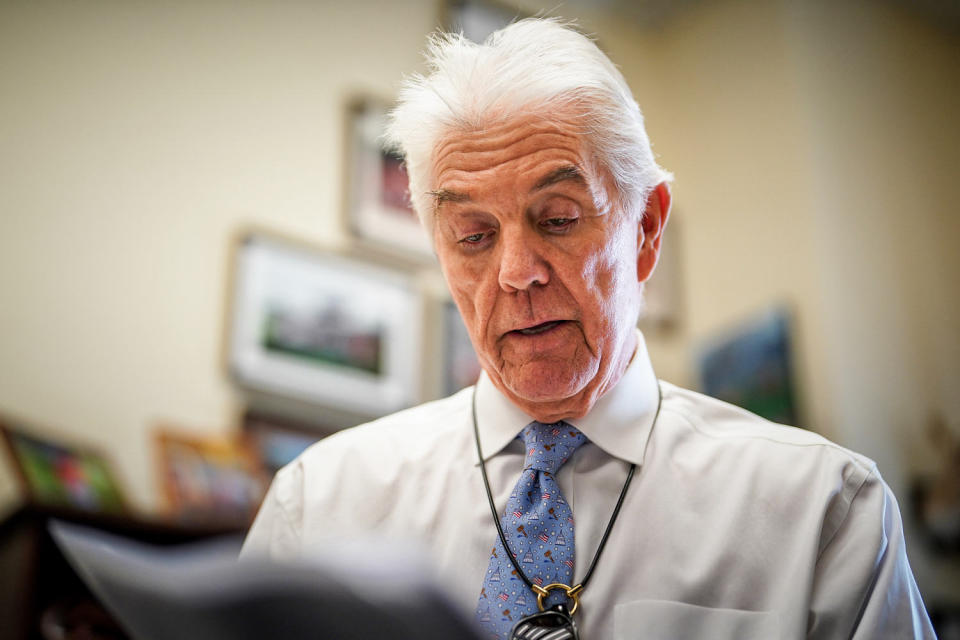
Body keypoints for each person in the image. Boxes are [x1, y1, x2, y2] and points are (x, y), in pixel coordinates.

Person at [241, 18, 935, 639]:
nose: (516, 272)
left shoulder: (822, 512)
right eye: (474, 234)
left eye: (560, 218)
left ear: (647, 229)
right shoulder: (319, 505)